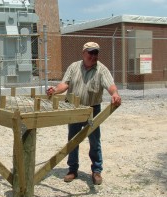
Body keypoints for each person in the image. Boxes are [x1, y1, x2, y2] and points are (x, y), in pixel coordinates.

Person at [46, 42, 121, 185]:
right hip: (74, 109)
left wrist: (115, 94)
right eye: (90, 53)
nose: (93, 56)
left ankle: (97, 171)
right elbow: (65, 84)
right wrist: (54, 90)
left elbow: (110, 85)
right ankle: (72, 170)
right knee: (73, 140)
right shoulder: (74, 67)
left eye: (96, 53)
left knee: (94, 141)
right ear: (83, 53)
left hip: (92, 110)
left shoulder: (101, 69)